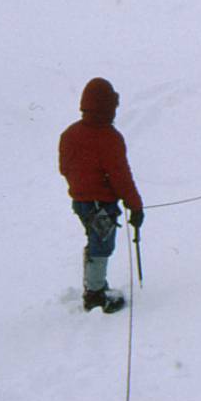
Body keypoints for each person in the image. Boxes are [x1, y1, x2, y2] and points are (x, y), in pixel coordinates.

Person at [57, 77, 145, 313]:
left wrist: (81, 187)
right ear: (107, 107)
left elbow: (64, 168)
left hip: (80, 202)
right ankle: (95, 295)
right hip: (101, 205)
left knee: (95, 242)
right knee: (102, 246)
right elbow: (121, 177)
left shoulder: (70, 134)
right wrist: (135, 206)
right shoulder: (109, 138)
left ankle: (94, 284)